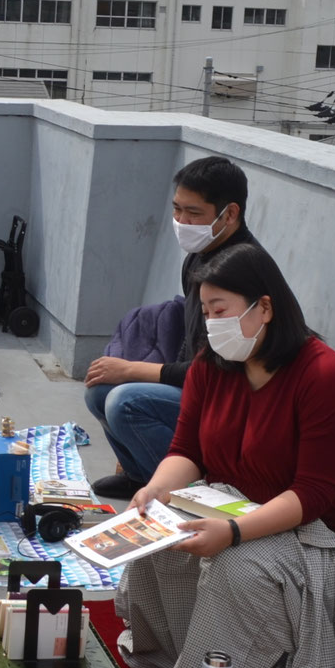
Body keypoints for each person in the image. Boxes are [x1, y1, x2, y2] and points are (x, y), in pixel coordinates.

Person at [117, 242, 335, 668]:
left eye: (220, 311)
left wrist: (234, 533)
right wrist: (154, 490)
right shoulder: (212, 365)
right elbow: (186, 451)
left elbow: (313, 494)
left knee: (235, 566)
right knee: (159, 532)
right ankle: (180, 655)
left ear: (264, 307)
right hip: (239, 505)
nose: (211, 324)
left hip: (326, 534)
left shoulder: (324, 376)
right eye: (205, 311)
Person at [84, 156, 259, 501]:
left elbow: (222, 369)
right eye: (177, 209)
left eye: (194, 213)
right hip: (200, 383)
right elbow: (191, 346)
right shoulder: (198, 256)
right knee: (100, 390)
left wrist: (133, 370)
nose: (181, 221)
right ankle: (140, 473)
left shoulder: (240, 271)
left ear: (230, 214)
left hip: (229, 400)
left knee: (125, 400)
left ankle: (183, 493)